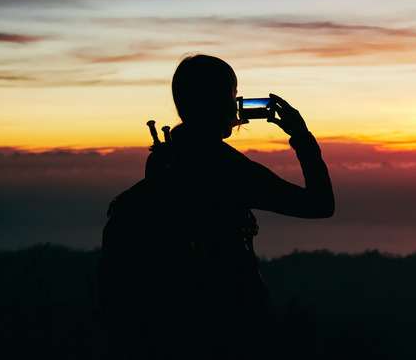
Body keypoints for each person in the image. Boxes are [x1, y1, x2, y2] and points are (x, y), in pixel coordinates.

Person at [138, 54, 334, 358]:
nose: (238, 102)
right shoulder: (226, 167)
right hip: (233, 327)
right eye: (232, 93)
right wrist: (301, 137)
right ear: (216, 102)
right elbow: (320, 204)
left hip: (176, 323)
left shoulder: (163, 158)